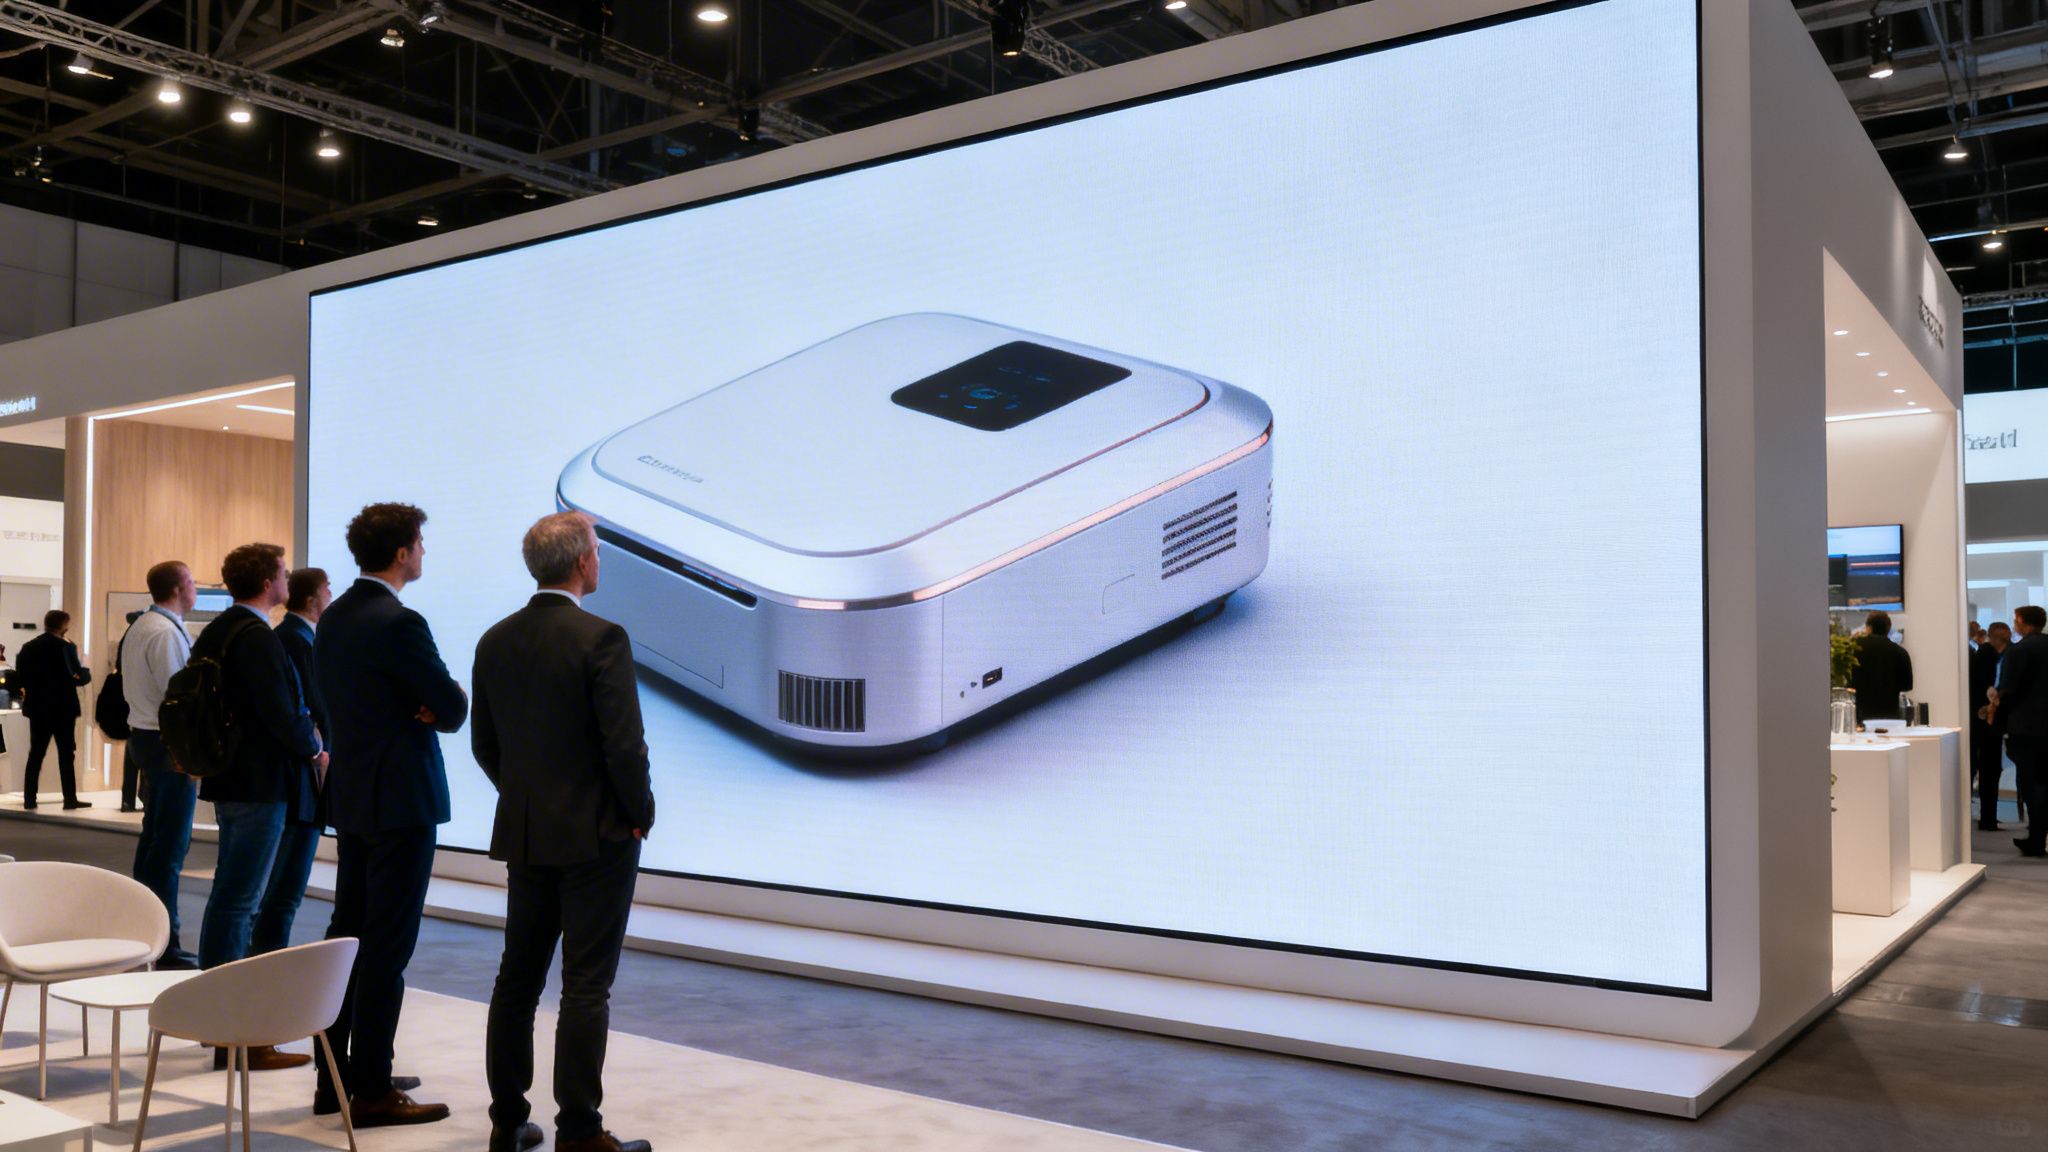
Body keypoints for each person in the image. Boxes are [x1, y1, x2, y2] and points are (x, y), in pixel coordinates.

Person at [476, 513, 656, 1152]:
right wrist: (641, 813)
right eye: (599, 552)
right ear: (582, 563)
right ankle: (578, 1128)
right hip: (597, 837)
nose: (600, 561)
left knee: (516, 979)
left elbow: (485, 745)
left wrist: (526, 799)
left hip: (527, 835)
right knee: (585, 984)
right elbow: (624, 748)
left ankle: (506, 1123)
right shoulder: (601, 638)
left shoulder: (495, 640)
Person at [315, 503, 467, 1126]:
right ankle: (373, 1086)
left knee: (348, 936)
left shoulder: (335, 618)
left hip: (352, 795)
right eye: (421, 543)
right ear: (402, 552)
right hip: (401, 800)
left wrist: (421, 704)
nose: (424, 552)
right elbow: (452, 704)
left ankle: (335, 1079)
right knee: (386, 947)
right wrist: (429, 706)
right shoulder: (399, 622)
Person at [192, 543, 325, 1071]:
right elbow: (282, 713)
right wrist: (315, 748)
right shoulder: (256, 639)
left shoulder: (220, 631)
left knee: (233, 899)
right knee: (239, 902)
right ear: (269, 582)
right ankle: (235, 1033)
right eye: (283, 572)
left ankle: (221, 1024)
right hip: (259, 784)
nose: (287, 580)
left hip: (234, 780)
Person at [252, 568, 333, 958]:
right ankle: (267, 964)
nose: (332, 594)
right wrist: (319, 752)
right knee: (284, 886)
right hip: (300, 774)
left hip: (299, 770)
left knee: (281, 886)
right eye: (327, 589)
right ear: (312, 598)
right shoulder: (297, 641)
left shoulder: (296, 638)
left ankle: (265, 961)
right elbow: (311, 709)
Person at [125, 561, 200, 968]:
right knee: (169, 846)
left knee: (154, 841)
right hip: (167, 744)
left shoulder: (141, 626)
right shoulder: (165, 632)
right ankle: (166, 943)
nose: (195, 589)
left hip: (147, 738)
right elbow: (180, 696)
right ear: (177, 588)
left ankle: (145, 930)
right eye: (191, 582)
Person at [17, 609, 92, 810]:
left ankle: (29, 799)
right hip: (63, 708)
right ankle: (69, 798)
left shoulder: (29, 647)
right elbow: (79, 677)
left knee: (36, 754)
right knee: (66, 754)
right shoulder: (66, 647)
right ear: (63, 625)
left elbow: (21, 678)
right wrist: (85, 667)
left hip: (38, 708)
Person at [1995, 605, 2048, 858]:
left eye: (2016, 621)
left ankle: (2037, 838)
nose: (2014, 625)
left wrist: (1995, 713)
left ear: (2024, 624)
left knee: (2028, 783)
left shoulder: (2019, 651)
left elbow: (2007, 689)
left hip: (2025, 726)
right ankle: (2038, 837)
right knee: (2044, 782)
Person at [1973, 621, 2013, 831]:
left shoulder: (1983, 654)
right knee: (1990, 770)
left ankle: (1987, 816)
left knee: (1987, 770)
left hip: (1983, 721)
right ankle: (1988, 817)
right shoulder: (1992, 656)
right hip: (1988, 721)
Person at [1850, 610, 1914, 727]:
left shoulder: (1853, 649)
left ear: (1868, 627)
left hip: (1860, 717)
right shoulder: (1900, 653)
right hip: (1890, 718)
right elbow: (1907, 686)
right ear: (1889, 629)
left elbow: (1847, 683)